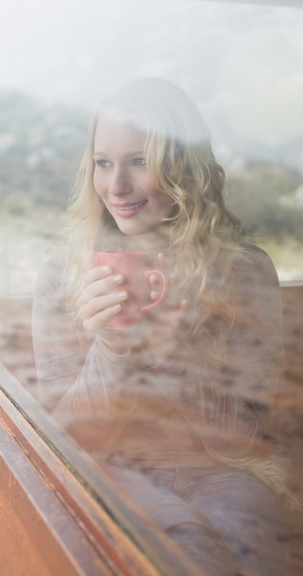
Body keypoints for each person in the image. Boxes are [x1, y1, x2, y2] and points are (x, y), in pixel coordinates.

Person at [32, 78, 290, 575]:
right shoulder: (63, 277)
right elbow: (66, 438)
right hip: (112, 470)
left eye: (139, 160)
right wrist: (113, 347)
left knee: (249, 549)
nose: (116, 187)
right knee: (182, 549)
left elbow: (250, 432)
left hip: (222, 470)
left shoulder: (246, 271)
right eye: (103, 163)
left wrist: (176, 342)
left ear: (184, 168)